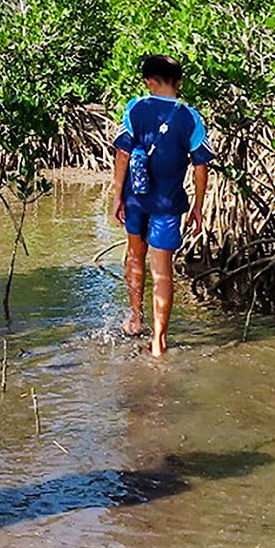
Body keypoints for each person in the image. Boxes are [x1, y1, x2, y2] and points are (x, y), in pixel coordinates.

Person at [108, 53, 214, 358]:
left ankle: (135, 318)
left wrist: (116, 196)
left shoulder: (136, 107)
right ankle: (159, 341)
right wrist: (198, 205)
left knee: (134, 258)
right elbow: (201, 166)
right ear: (179, 82)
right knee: (163, 272)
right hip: (169, 204)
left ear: (149, 82)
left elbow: (123, 155)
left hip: (135, 200)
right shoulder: (191, 117)